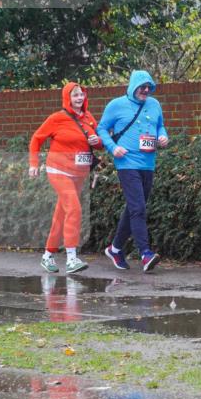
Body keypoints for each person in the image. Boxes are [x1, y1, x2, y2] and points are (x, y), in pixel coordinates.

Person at [97, 70, 168, 272]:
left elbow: (160, 126)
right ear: (133, 86)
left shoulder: (154, 105)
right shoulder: (116, 105)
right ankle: (145, 254)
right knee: (138, 208)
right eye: (142, 86)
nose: (146, 90)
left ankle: (115, 248)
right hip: (126, 162)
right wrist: (113, 148)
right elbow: (101, 129)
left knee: (134, 207)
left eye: (149, 87)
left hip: (148, 163)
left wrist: (163, 136)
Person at [28, 82, 102, 274]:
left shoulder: (89, 118)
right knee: (75, 209)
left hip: (78, 173)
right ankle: (71, 259)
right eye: (75, 95)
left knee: (61, 215)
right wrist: (34, 164)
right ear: (67, 98)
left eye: (81, 95)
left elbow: (99, 143)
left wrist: (97, 141)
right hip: (58, 170)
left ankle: (47, 256)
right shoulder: (57, 118)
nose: (79, 99)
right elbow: (36, 139)